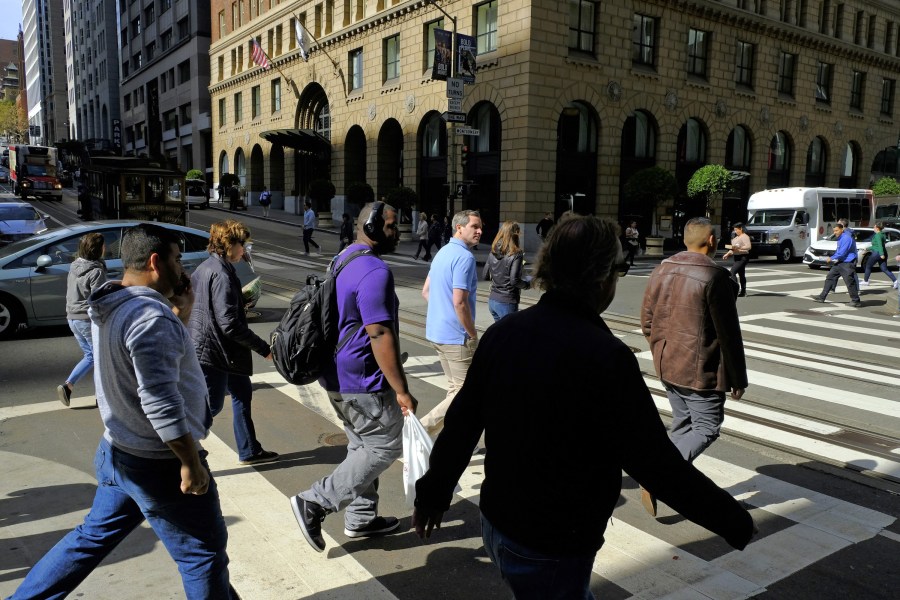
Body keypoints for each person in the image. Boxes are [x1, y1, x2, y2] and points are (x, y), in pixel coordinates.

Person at [413, 216, 756, 600]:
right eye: (618, 269)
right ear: (601, 278)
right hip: (553, 539)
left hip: (498, 522)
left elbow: (462, 423)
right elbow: (657, 465)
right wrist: (733, 520)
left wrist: (433, 493)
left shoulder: (503, 334)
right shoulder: (605, 357)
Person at [9, 224, 232, 599]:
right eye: (177, 259)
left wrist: (181, 312)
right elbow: (160, 400)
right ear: (155, 262)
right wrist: (191, 463)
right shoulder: (150, 318)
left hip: (118, 451)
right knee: (203, 557)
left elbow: (140, 362)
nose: (183, 268)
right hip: (158, 464)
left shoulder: (113, 301)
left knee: (90, 537)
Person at [290, 201, 418, 552]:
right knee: (384, 444)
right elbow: (378, 333)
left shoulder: (342, 258)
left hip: (334, 376)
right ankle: (314, 502)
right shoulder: (375, 271)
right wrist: (401, 389)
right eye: (392, 225)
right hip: (362, 379)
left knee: (362, 445)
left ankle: (361, 518)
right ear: (374, 228)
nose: (397, 230)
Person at [640, 216, 749, 516]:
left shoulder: (661, 269)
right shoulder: (715, 277)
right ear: (712, 241)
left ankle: (656, 471)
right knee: (706, 427)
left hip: (667, 363)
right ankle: (657, 476)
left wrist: (661, 349)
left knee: (684, 423)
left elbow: (647, 322)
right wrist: (737, 377)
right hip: (701, 369)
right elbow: (728, 334)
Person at [189, 220, 279, 466]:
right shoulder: (222, 275)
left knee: (242, 392)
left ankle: (249, 449)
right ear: (229, 245)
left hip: (219, 348)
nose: (245, 250)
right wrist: (263, 349)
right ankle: (176, 451)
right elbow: (229, 323)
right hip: (215, 351)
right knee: (211, 407)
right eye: (242, 244)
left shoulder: (207, 267)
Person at [420, 210, 483, 435]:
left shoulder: (443, 252)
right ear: (459, 227)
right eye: (475, 226)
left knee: (456, 390)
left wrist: (441, 311)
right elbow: (460, 302)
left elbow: (426, 291)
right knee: (465, 392)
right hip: (457, 337)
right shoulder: (465, 257)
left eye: (480, 227)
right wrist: (472, 333)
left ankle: (457, 436)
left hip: (437, 332)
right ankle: (422, 429)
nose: (480, 231)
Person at [57, 232, 107, 407]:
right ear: (99, 249)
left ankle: (68, 386)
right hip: (87, 319)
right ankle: (100, 397)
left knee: (90, 356)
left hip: (72, 318)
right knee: (99, 358)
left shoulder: (75, 265)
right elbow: (98, 300)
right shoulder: (96, 271)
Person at [482, 221, 530, 322]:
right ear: (516, 233)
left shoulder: (493, 251)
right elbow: (514, 280)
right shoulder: (516, 254)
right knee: (510, 335)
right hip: (507, 301)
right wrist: (527, 284)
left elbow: (485, 275)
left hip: (493, 300)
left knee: (500, 333)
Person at [811, 222, 862, 307]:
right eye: (834, 231)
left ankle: (856, 300)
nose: (835, 232)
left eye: (837, 230)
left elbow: (842, 252)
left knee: (849, 282)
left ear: (842, 230)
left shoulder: (846, 238)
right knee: (830, 277)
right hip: (840, 262)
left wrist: (831, 258)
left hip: (847, 263)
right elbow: (839, 251)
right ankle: (822, 297)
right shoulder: (840, 238)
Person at [861, 223, 897, 287]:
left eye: (874, 227)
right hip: (882, 253)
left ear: (877, 228)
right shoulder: (882, 235)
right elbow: (876, 246)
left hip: (877, 253)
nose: (873, 228)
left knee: (868, 266)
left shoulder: (877, 235)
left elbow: (880, 245)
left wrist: (881, 254)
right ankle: (895, 281)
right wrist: (867, 248)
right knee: (884, 269)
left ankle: (866, 281)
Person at [723, 222, 752, 297]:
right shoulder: (736, 238)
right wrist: (727, 254)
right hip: (737, 257)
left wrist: (739, 248)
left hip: (743, 257)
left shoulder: (744, 236)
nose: (735, 231)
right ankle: (743, 291)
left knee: (732, 272)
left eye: (736, 230)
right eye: (734, 230)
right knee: (741, 274)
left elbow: (748, 247)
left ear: (741, 229)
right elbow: (733, 248)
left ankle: (734, 290)